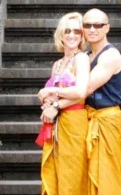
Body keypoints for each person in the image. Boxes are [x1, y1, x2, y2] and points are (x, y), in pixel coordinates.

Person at [40, 8, 121, 195]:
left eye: (98, 25)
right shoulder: (87, 56)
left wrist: (55, 105)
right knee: (86, 174)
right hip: (88, 117)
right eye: (87, 25)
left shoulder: (109, 56)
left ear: (107, 28)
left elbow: (84, 90)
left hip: (106, 119)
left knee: (105, 176)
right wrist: (49, 100)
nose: (92, 29)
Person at [36, 12, 90, 195]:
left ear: (82, 36)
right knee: (56, 171)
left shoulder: (81, 58)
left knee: (72, 173)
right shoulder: (58, 64)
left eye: (77, 31)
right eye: (68, 30)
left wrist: (52, 94)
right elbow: (53, 95)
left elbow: (81, 92)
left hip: (75, 122)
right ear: (61, 34)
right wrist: (47, 102)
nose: (72, 35)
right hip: (58, 122)